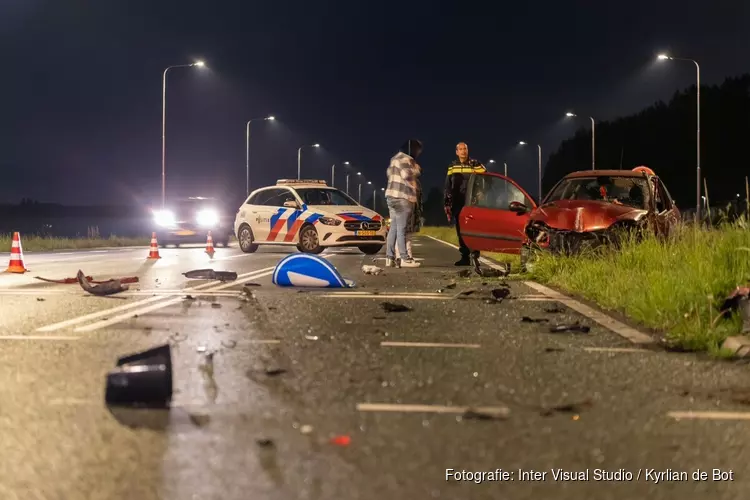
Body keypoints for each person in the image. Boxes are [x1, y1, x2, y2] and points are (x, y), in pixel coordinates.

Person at [443, 142, 486, 266]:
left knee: (474, 229)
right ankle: (465, 257)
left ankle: (476, 255)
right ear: (457, 152)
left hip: (473, 202)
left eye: (465, 149)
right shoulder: (452, 166)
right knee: (461, 230)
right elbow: (447, 185)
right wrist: (447, 201)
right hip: (458, 202)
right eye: (460, 149)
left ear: (468, 150)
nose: (463, 151)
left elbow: (486, 179)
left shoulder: (475, 164)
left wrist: (481, 193)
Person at [385, 139, 422, 268]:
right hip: (403, 197)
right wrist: (416, 169)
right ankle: (404, 258)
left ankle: (389, 258)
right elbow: (406, 174)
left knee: (393, 229)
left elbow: (388, 173)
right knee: (402, 229)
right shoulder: (407, 159)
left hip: (391, 196)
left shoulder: (394, 158)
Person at [396, 163, 422, 260]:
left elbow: (419, 198)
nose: (418, 171)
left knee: (409, 233)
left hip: (413, 210)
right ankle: (400, 256)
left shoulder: (417, 182)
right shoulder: (402, 181)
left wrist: (418, 211)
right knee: (402, 232)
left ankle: (408, 254)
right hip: (404, 209)